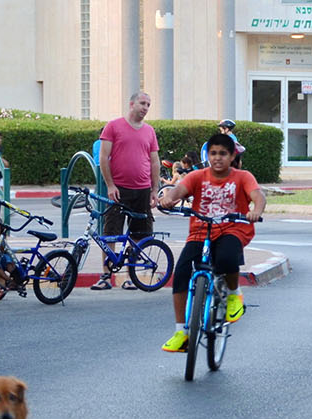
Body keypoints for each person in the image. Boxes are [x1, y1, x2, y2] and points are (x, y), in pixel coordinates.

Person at [157, 133, 266, 353]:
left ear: (232, 156)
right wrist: (169, 198)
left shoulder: (242, 177)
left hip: (232, 228)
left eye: (223, 154)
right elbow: (179, 191)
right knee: (181, 274)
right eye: (213, 153)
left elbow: (258, 196)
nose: (217, 158)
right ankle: (182, 332)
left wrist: (256, 210)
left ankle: (234, 295)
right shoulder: (198, 176)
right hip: (200, 230)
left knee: (226, 258)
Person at [95, 91, 161, 291]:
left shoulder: (149, 131)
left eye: (148, 104)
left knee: (139, 232)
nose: (145, 108)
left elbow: (154, 161)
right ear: (131, 104)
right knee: (111, 231)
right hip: (120, 189)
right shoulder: (114, 126)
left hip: (142, 189)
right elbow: (104, 157)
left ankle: (130, 275)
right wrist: (110, 185)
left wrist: (154, 189)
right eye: (142, 103)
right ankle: (106, 275)